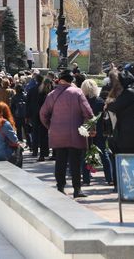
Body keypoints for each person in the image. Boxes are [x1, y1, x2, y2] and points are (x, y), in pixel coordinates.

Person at [40, 70, 94, 198]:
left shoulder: (52, 95)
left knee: (60, 160)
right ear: (72, 81)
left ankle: (60, 187)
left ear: (61, 80)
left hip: (58, 134)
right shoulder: (78, 93)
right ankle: (77, 189)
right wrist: (86, 127)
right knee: (75, 162)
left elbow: (43, 114)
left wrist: (50, 126)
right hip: (76, 133)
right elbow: (89, 113)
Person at [81, 79, 112, 187]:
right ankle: (110, 178)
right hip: (99, 131)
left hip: (86, 130)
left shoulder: (82, 101)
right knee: (104, 153)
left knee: (86, 154)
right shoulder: (100, 101)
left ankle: (86, 179)